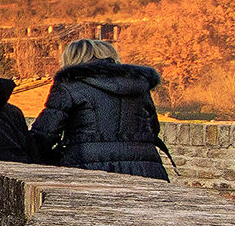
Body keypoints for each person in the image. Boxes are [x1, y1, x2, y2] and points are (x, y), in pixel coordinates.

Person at [30, 37, 168, 179]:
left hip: (88, 170)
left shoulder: (69, 86)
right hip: (146, 171)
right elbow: (153, 129)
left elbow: (43, 137)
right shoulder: (139, 85)